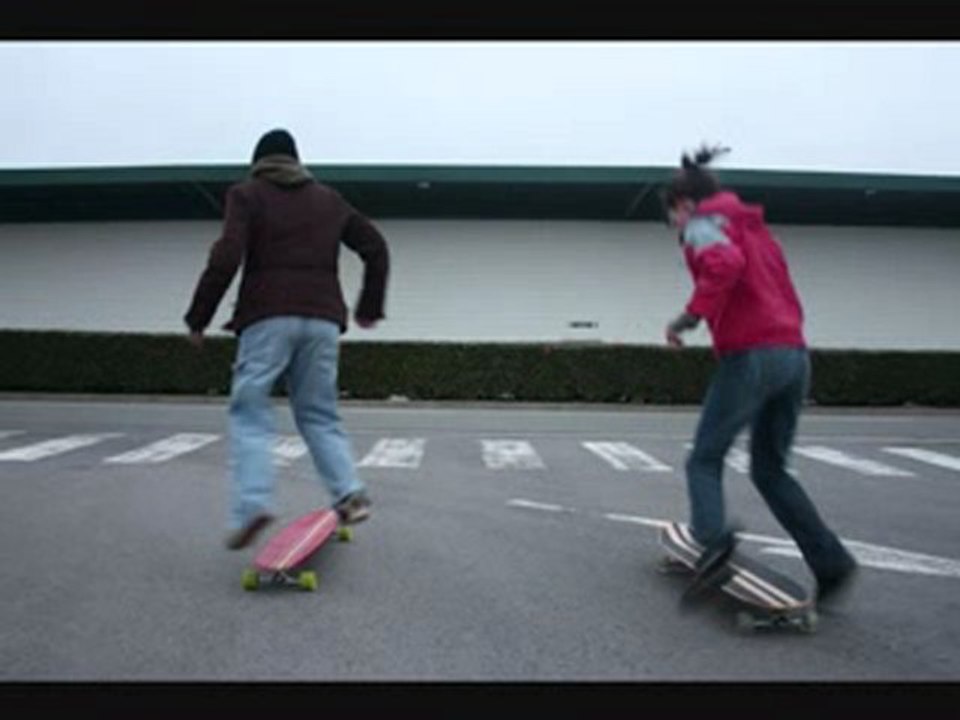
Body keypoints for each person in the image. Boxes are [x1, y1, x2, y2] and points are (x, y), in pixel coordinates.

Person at [661, 144, 857, 606]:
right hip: (793, 356)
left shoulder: (703, 224)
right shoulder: (755, 229)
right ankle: (831, 563)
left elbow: (724, 266)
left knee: (704, 459)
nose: (672, 226)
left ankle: (712, 542)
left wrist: (687, 319)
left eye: (670, 216)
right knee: (771, 470)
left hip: (752, 355)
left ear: (684, 205)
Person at [184, 128, 389, 550]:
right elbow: (376, 247)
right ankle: (349, 493)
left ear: (258, 162)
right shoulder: (329, 200)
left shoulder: (247, 194)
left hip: (267, 315)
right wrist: (368, 307)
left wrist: (198, 317)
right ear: (297, 161)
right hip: (323, 320)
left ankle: (253, 503)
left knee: (250, 409)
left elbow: (227, 255)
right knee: (318, 414)